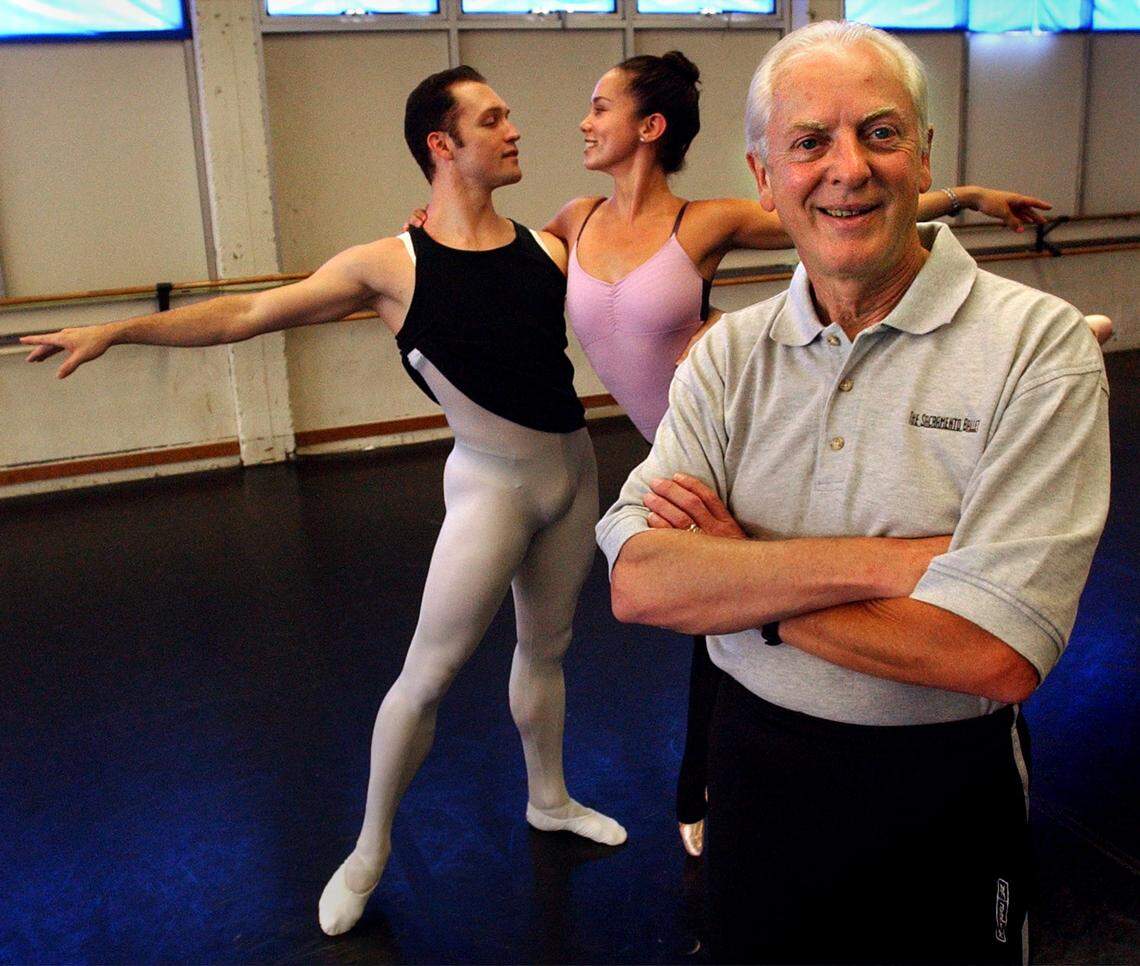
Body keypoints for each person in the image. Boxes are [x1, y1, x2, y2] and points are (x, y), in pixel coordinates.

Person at [22, 65, 625, 939]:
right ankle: (371, 849)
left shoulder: (548, 246)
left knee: (548, 648)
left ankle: (549, 799)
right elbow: (245, 315)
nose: (514, 129)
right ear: (442, 145)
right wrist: (118, 328)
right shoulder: (389, 265)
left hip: (575, 473)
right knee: (428, 675)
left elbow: (640, 288)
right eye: (493, 119)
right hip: (492, 487)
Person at [595, 21, 1109, 964]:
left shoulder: (1039, 348)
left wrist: (744, 584)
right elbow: (639, 582)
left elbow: (995, 651)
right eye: (809, 142)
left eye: (879, 133)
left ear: (923, 156)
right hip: (754, 775)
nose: (848, 169)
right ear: (763, 175)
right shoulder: (730, 356)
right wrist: (896, 566)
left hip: (946, 790)